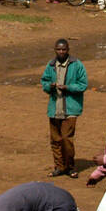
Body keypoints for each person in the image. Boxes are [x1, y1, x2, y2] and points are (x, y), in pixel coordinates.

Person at [40, 39, 87, 178]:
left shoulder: (77, 65)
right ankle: (59, 167)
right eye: (58, 49)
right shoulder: (51, 65)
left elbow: (83, 84)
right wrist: (50, 86)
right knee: (55, 140)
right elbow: (44, 81)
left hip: (70, 109)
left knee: (67, 139)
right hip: (55, 108)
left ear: (68, 49)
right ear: (55, 50)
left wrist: (68, 87)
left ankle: (70, 167)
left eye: (63, 49)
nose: (61, 52)